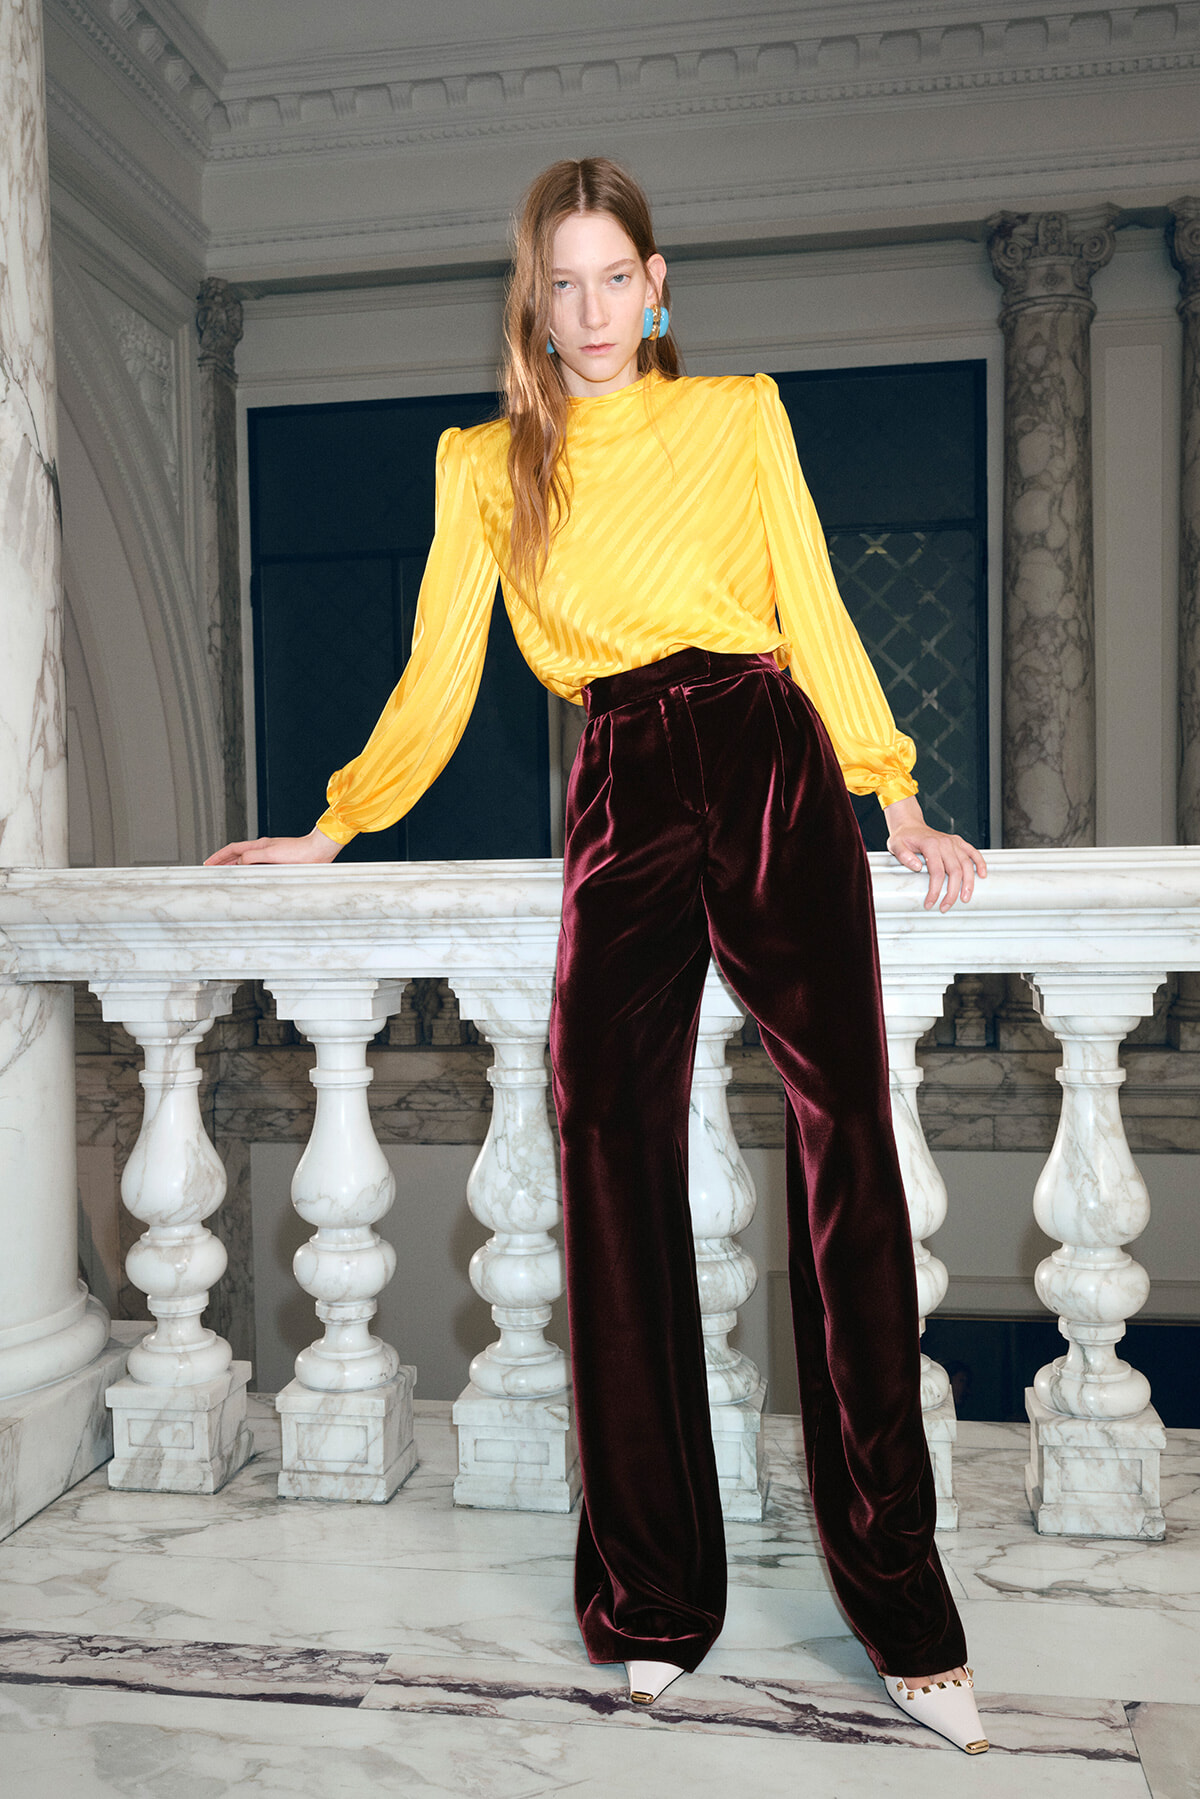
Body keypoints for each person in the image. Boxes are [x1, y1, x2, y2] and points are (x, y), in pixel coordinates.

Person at [207, 157, 989, 1755]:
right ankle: (652, 1602)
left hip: (769, 748)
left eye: (611, 277)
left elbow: (815, 604)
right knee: (604, 1153)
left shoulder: (739, 416)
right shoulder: (486, 464)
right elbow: (438, 669)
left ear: (657, 285)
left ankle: (906, 1611)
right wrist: (334, 827)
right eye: (558, 285)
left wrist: (891, 790)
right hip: (624, 775)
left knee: (847, 1156)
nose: (587, 311)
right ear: (534, 301)